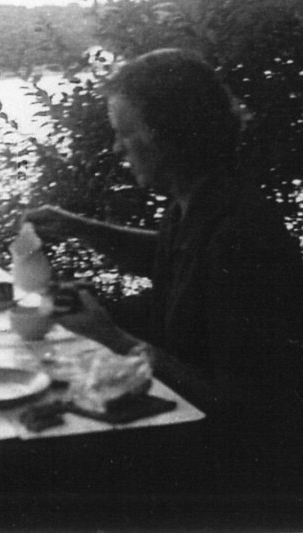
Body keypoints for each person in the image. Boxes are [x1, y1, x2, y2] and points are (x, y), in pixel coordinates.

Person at [25, 49, 303, 488]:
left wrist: (114, 338)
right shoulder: (196, 202)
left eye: (124, 133)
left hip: (240, 468)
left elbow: (242, 405)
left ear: (168, 135)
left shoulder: (242, 237)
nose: (117, 147)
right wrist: (74, 226)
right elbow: (172, 257)